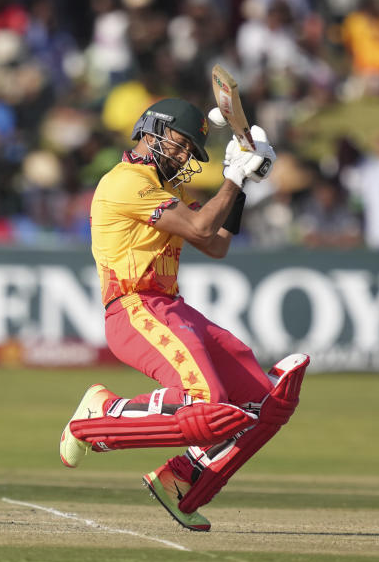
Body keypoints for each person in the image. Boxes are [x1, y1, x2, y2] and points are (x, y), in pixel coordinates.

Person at [58, 98, 310, 532]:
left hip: (171, 308)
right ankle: (99, 417)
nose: (182, 156)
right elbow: (200, 230)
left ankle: (182, 479)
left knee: (265, 402)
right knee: (205, 403)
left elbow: (217, 244)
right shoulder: (126, 182)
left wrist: (242, 183)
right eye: (179, 144)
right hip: (134, 307)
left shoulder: (167, 190)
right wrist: (232, 176)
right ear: (150, 130)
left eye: (190, 151)